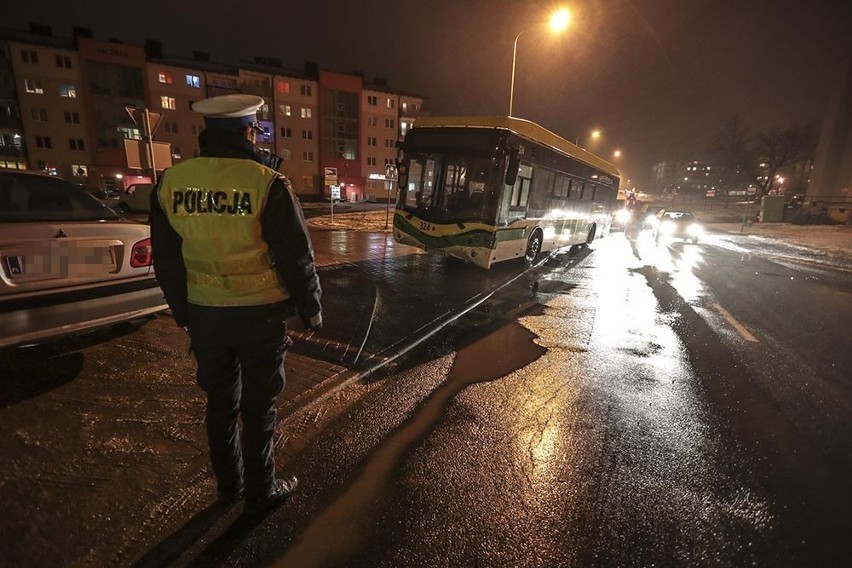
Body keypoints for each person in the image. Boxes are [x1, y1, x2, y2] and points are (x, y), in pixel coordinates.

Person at [150, 93, 322, 515]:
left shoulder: (172, 182)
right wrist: (311, 306)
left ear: (208, 133)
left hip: (205, 314)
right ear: (249, 131)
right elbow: (295, 255)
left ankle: (229, 488)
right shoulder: (266, 182)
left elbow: (166, 259)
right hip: (260, 314)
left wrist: (183, 314)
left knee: (220, 405)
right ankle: (261, 492)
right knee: (259, 405)